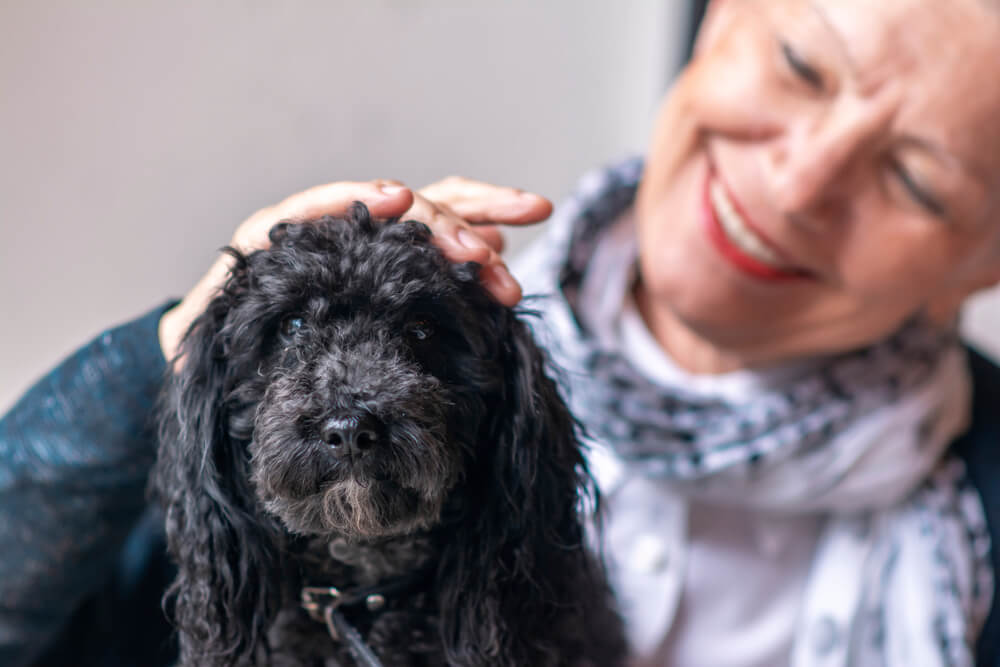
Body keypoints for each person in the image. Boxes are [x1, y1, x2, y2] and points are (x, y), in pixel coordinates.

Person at [3, 0, 1000, 664]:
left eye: (913, 178)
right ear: (720, 17)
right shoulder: (256, 409)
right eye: (799, 64)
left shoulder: (976, 517)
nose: (795, 185)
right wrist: (178, 347)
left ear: (984, 262)